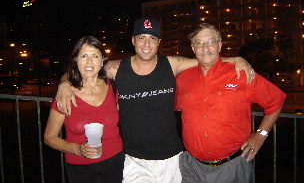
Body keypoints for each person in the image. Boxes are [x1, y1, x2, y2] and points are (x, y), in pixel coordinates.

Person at [56, 18, 255, 183]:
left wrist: (235, 59)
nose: (147, 44)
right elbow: (84, 68)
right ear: (133, 40)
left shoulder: (172, 63)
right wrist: (64, 84)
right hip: (134, 160)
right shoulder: (116, 68)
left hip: (172, 158)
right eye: (141, 37)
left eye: (152, 38)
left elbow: (207, 59)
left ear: (159, 42)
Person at [175, 23, 286, 183]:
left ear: (220, 45)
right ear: (193, 48)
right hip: (192, 168)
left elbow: (277, 100)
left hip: (232, 167)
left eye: (211, 42)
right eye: (199, 43)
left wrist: (261, 135)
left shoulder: (241, 73)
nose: (205, 47)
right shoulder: (183, 78)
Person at [44, 36, 124, 183]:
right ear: (76, 60)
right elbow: (49, 137)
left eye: (95, 56)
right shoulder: (65, 95)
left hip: (115, 162)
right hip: (80, 167)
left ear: (102, 61)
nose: (89, 62)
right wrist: (77, 149)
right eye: (84, 56)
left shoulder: (113, 87)